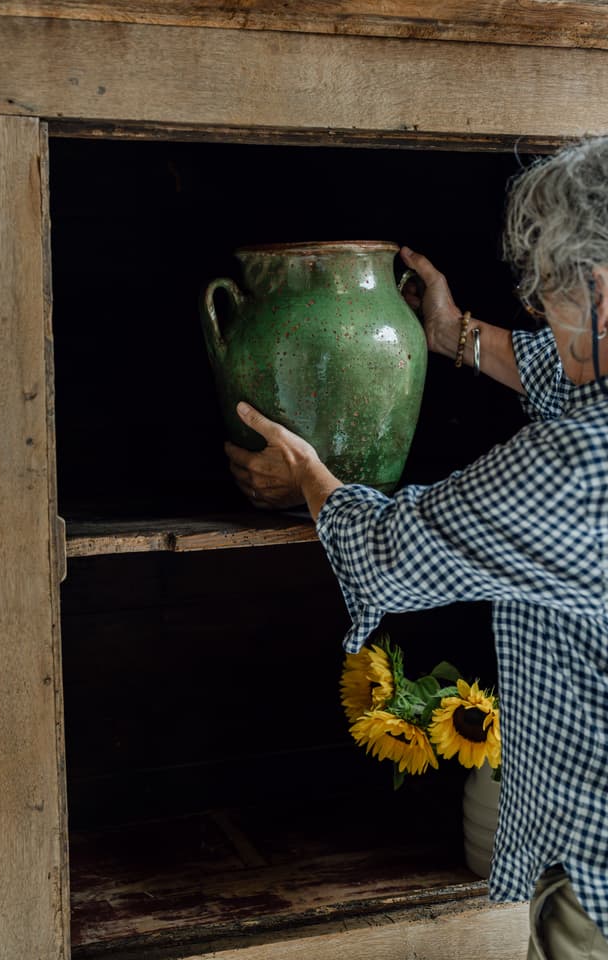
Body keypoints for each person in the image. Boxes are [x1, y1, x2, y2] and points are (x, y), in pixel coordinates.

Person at [224, 137, 608, 960]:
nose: (541, 312)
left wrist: (307, 473)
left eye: (547, 291)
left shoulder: (579, 465)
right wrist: (452, 333)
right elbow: (577, 372)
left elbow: (387, 555)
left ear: (601, 291)